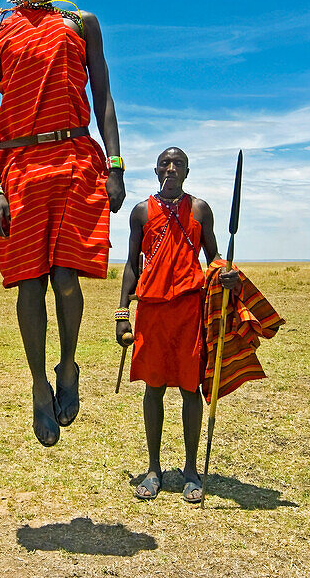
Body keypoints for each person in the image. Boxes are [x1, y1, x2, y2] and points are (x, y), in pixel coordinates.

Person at [0, 0, 125, 447]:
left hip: (76, 158)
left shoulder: (81, 23)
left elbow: (103, 95)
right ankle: (38, 385)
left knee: (66, 278)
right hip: (18, 166)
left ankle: (68, 364)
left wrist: (115, 163)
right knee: (29, 284)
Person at [115, 147, 240, 503]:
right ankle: (153, 469)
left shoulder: (199, 209)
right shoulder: (141, 212)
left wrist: (225, 271)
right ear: (156, 170)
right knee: (152, 388)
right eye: (165, 163)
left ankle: (190, 470)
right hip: (152, 311)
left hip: (189, 309)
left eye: (178, 164)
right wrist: (122, 313)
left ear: (187, 172)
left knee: (189, 389)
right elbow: (130, 265)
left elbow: (213, 256)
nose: (171, 168)